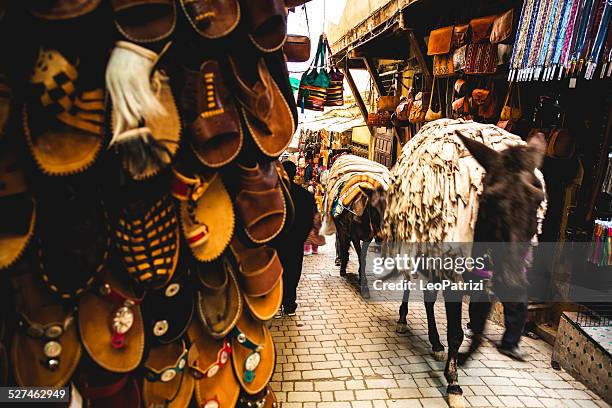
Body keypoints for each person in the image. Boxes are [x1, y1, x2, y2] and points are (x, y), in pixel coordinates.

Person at [273, 161, 316, 316]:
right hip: (295, 243)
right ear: (295, 173)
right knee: (293, 273)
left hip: (276, 242)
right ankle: (289, 304)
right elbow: (309, 220)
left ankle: (276, 304)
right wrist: (301, 238)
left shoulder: (274, 194)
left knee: (276, 273)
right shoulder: (304, 195)